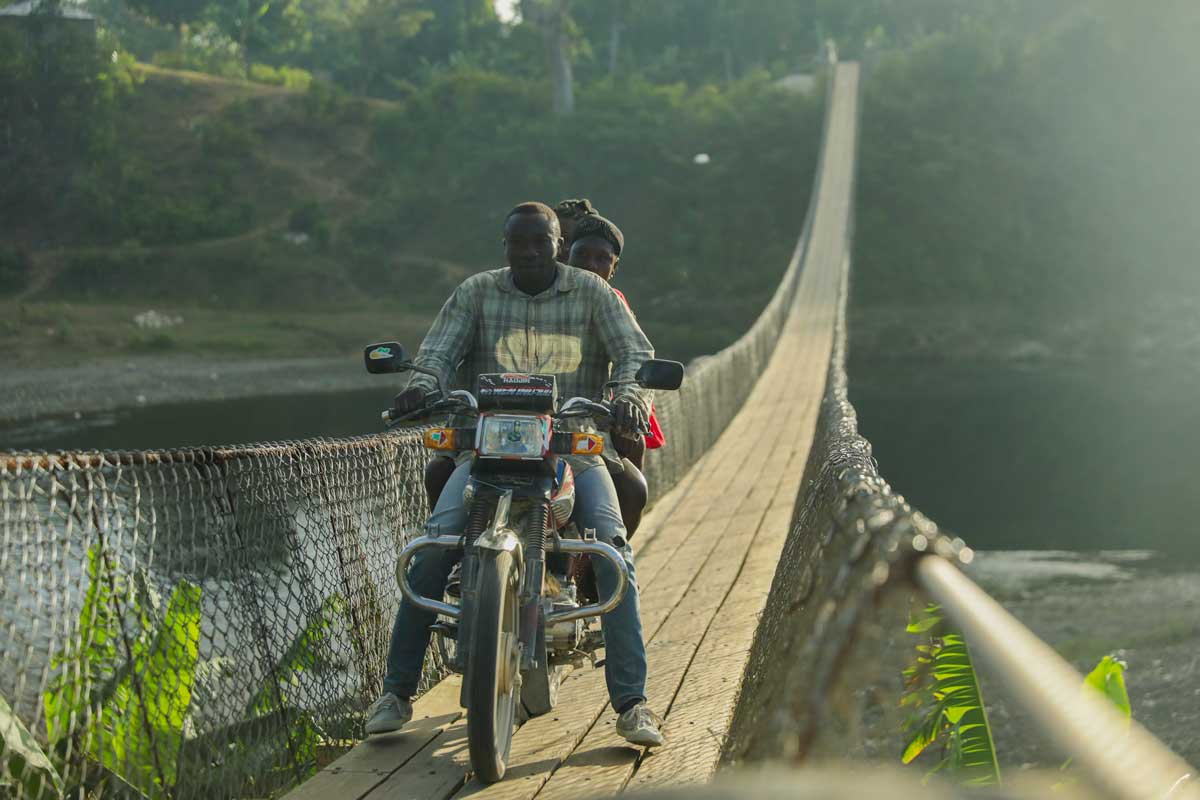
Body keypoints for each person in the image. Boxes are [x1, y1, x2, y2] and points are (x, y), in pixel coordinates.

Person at [365, 201, 666, 748]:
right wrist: (422, 385)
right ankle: (395, 692)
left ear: (558, 244)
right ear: (504, 246)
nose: (528, 253)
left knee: (613, 547)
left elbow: (633, 353)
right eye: (517, 243)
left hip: (572, 447)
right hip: (483, 451)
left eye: (540, 242)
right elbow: (437, 353)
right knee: (433, 544)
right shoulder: (476, 293)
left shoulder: (593, 294)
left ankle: (633, 702)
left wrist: (629, 396)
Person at [566, 213, 665, 538]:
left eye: (601, 259)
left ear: (614, 267)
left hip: (595, 415)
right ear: (566, 253)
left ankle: (610, 562)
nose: (590, 265)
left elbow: (632, 355)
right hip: (532, 416)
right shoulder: (541, 293)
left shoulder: (611, 302)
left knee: (631, 484)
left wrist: (626, 404)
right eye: (582, 255)